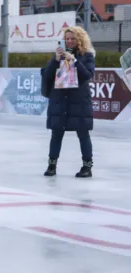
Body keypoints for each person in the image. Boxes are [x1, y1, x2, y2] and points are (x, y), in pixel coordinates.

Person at [40, 25, 96, 178]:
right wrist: (55, 60)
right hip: (60, 100)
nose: (70, 41)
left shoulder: (87, 55)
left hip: (79, 100)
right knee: (56, 133)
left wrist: (75, 61)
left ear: (79, 40)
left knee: (83, 134)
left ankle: (87, 166)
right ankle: (52, 165)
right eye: (67, 38)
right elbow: (46, 76)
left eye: (73, 38)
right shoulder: (58, 55)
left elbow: (88, 75)